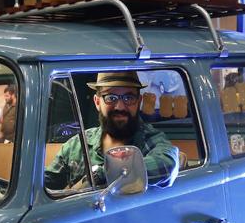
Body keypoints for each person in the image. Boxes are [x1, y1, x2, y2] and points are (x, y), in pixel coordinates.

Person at [44, 71, 179, 190]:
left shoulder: (151, 140)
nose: (120, 107)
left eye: (128, 98)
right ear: (97, 102)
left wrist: (97, 176)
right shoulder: (76, 145)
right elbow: (46, 185)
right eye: (111, 98)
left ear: (139, 101)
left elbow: (167, 165)